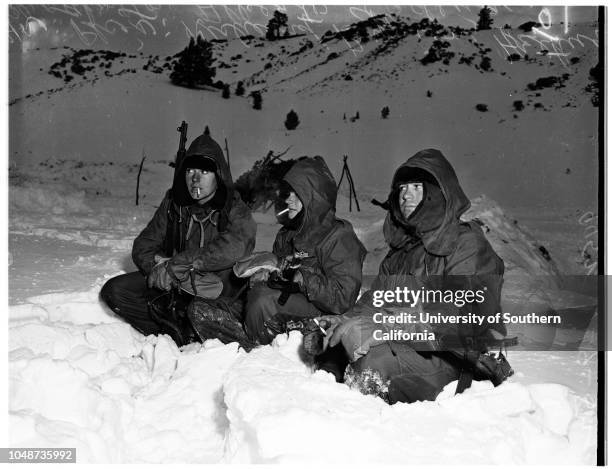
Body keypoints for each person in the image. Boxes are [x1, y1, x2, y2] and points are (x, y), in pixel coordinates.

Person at [307, 149, 506, 403]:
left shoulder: (465, 243)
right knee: (337, 345)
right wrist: (343, 321)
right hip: (411, 346)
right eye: (401, 188)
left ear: (437, 193)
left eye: (416, 187)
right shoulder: (402, 251)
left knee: (372, 362)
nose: (406, 195)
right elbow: (377, 300)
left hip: (454, 360)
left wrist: (388, 327)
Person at [188, 156, 366, 371]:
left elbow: (343, 298)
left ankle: (264, 358)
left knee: (262, 300)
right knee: (202, 308)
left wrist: (303, 279)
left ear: (314, 198)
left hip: (317, 317)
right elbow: (280, 274)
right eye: (287, 192)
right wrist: (265, 272)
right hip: (279, 310)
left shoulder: (338, 236)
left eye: (296, 194)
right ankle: (249, 346)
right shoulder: (287, 234)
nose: (288, 199)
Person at [100, 130, 257, 346]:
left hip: (218, 291)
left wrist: (180, 264)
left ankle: (203, 335)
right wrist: (158, 268)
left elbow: (236, 247)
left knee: (199, 310)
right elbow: (143, 246)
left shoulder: (234, 207)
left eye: (204, 172)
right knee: (116, 291)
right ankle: (172, 334)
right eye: (190, 170)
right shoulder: (175, 204)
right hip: (178, 286)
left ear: (218, 175)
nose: (195, 179)